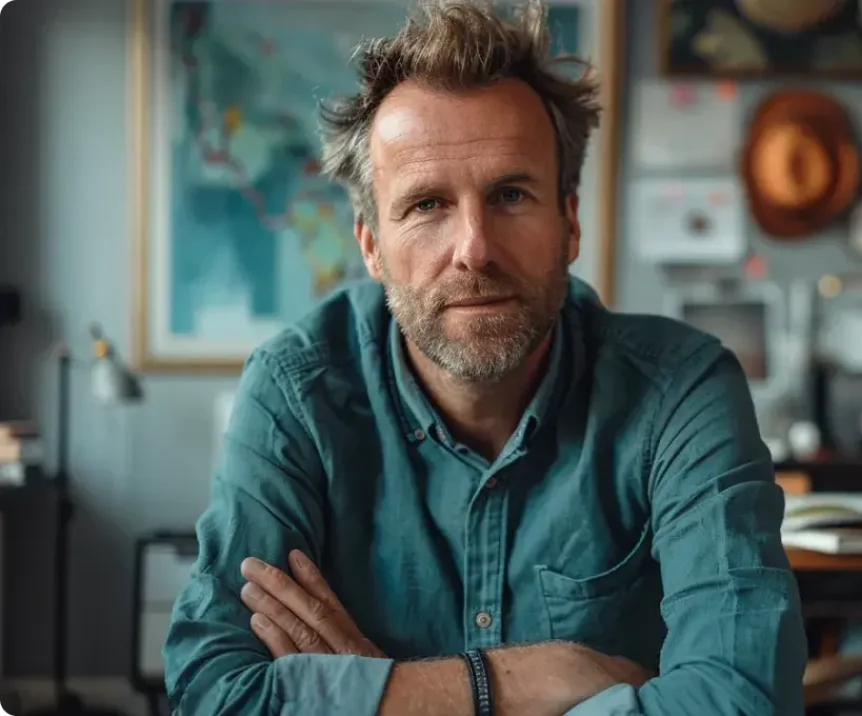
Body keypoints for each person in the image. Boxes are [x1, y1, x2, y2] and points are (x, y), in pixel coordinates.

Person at [162, 1, 807, 714]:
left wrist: (379, 693)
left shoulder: (681, 389)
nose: (474, 248)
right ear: (371, 245)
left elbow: (740, 699)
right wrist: (527, 680)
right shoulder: (296, 392)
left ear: (568, 222)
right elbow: (215, 695)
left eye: (510, 194)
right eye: (427, 205)